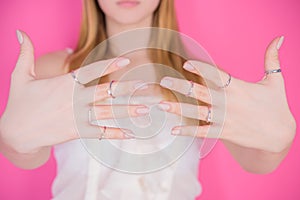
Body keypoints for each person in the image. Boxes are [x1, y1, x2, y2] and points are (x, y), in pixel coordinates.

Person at [0, 0, 296, 199]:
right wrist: (13, 143)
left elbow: (255, 160)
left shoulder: (201, 77)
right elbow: (27, 154)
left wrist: (276, 146)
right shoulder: (56, 70)